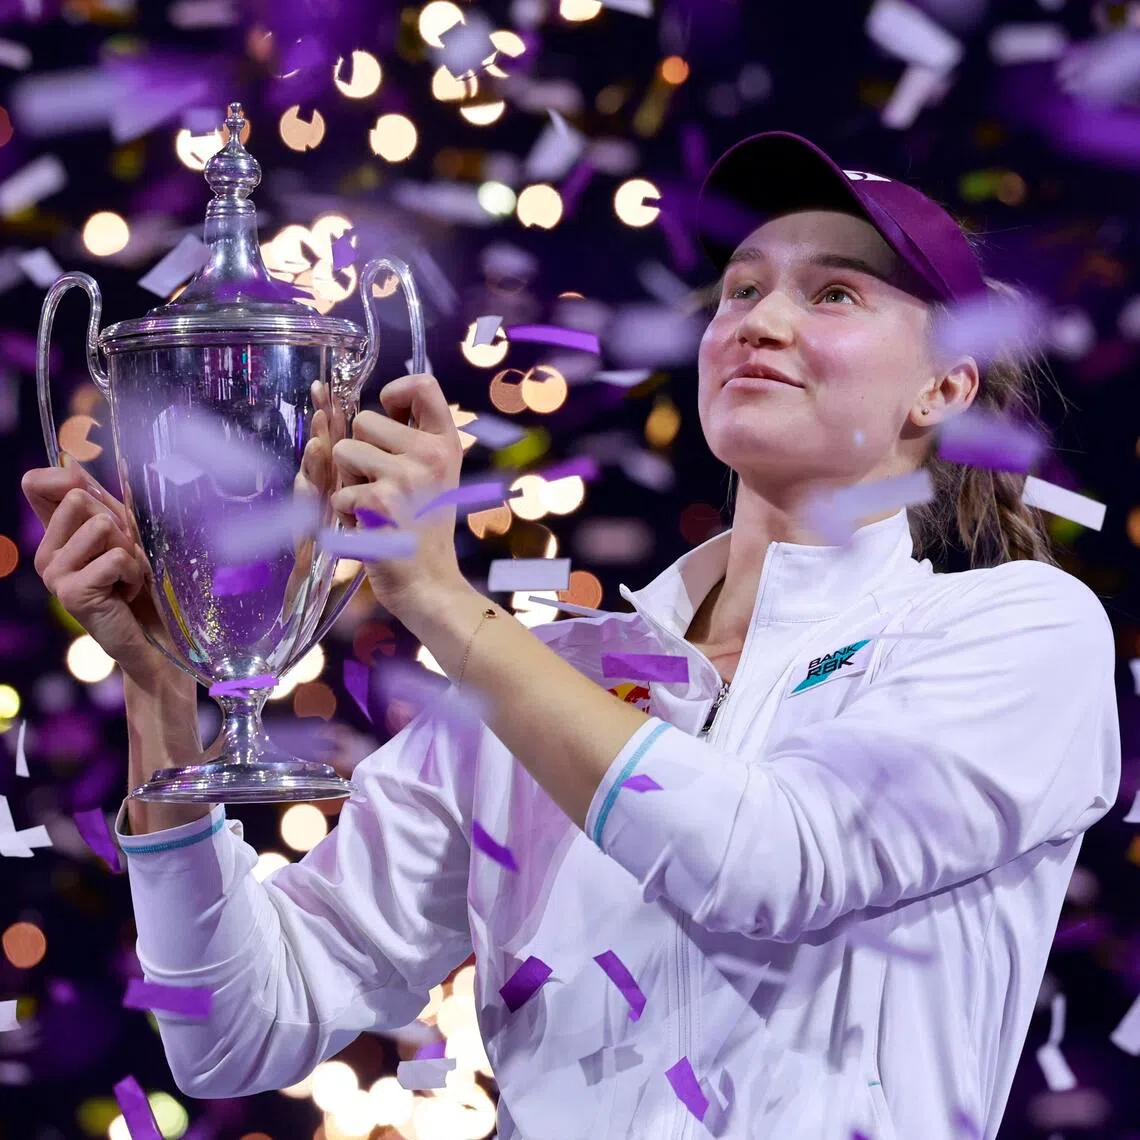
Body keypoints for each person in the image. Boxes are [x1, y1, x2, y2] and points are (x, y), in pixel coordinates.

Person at [22, 132, 1120, 1140]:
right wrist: (162, 689)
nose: (758, 321)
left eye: (833, 292)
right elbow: (228, 1035)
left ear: (945, 386)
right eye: (740, 289)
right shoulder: (546, 678)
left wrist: (446, 607)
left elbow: (769, 863)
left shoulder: (1015, 632)